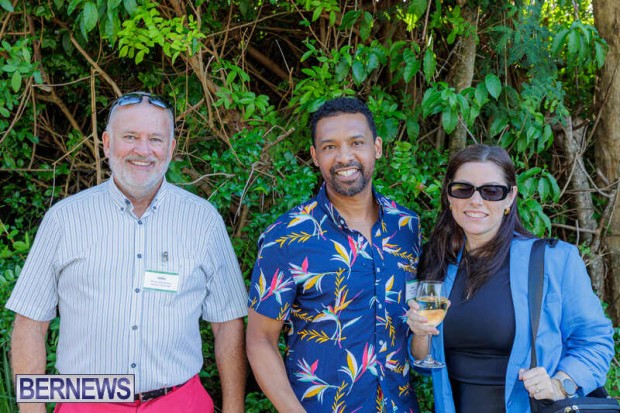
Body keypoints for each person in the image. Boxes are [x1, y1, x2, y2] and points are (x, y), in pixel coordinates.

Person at [7, 92, 248, 413]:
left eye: (155, 139)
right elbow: (30, 323)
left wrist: (234, 409)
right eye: (130, 137)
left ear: (171, 149)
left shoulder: (203, 220)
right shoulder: (64, 220)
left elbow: (228, 323)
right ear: (107, 143)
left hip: (179, 401)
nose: (143, 150)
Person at [406, 144, 614, 413]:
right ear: (449, 196)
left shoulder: (553, 260)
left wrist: (560, 385)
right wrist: (420, 334)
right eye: (463, 189)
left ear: (510, 197)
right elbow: (425, 365)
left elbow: (595, 342)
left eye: (491, 191)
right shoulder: (438, 263)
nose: (476, 200)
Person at [246, 97, 422, 412]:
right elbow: (260, 340)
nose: (344, 157)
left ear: (377, 148)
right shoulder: (285, 237)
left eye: (356, 143)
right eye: (329, 147)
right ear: (315, 156)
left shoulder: (407, 227)